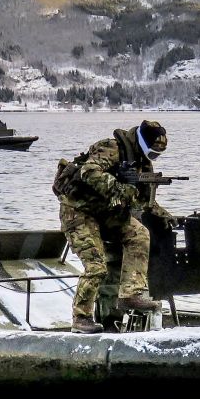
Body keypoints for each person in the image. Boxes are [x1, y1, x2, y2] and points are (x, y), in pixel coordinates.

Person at [53, 120, 172, 334]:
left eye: (156, 155)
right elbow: (88, 172)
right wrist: (119, 184)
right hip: (78, 211)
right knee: (96, 265)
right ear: (143, 143)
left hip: (106, 213)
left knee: (139, 234)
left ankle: (131, 294)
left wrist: (163, 214)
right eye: (152, 153)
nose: (152, 158)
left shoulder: (142, 162)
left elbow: (142, 199)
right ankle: (81, 317)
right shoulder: (111, 148)